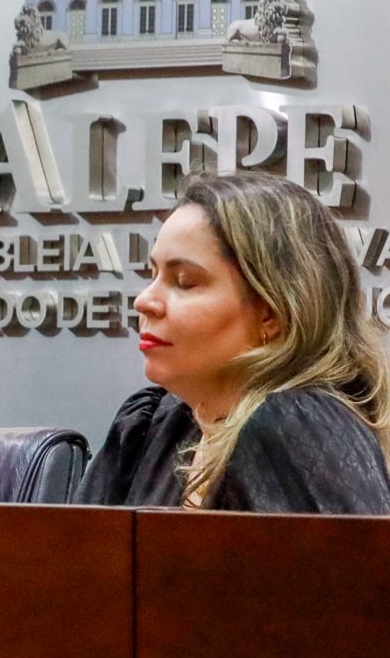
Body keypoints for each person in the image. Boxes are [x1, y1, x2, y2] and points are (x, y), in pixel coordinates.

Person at [79, 172, 390, 513]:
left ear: (272, 313)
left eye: (184, 281)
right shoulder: (150, 424)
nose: (144, 302)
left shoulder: (295, 428)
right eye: (153, 275)